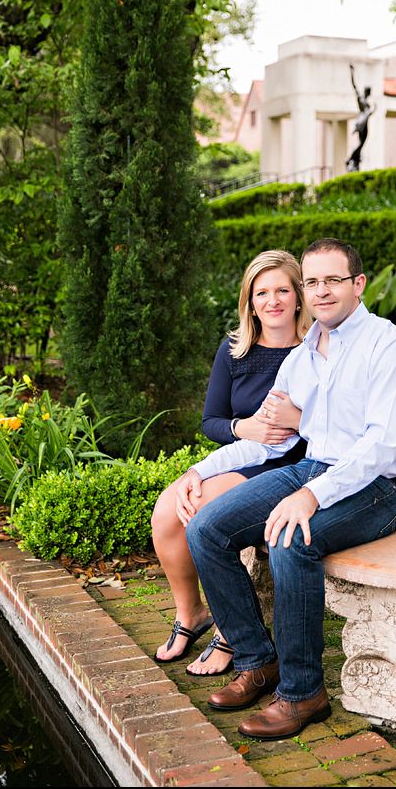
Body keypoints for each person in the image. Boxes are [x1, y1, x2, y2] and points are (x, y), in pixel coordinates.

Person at [175, 237, 396, 740]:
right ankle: (256, 660)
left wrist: (311, 495)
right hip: (314, 468)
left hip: (380, 487)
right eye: (313, 282)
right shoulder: (303, 356)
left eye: (333, 280)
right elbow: (270, 438)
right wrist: (200, 471)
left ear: (358, 285)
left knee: (291, 538)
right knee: (207, 528)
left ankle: (302, 692)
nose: (321, 291)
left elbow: (379, 448)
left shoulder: (390, 348)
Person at [151, 250, 310, 676]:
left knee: (204, 512)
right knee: (166, 512)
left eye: (282, 290)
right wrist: (245, 429)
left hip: (293, 468)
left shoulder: (315, 351)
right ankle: (191, 615)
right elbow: (211, 422)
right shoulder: (235, 349)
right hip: (244, 454)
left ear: (298, 297)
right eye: (262, 292)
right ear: (250, 301)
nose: (272, 300)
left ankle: (230, 632)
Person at [346, 63, 376, 172]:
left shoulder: (367, 102)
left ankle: (355, 159)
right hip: (362, 124)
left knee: (362, 143)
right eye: (368, 91)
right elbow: (354, 85)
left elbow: (369, 112)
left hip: (365, 123)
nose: (369, 93)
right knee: (361, 143)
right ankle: (351, 159)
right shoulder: (361, 98)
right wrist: (352, 72)